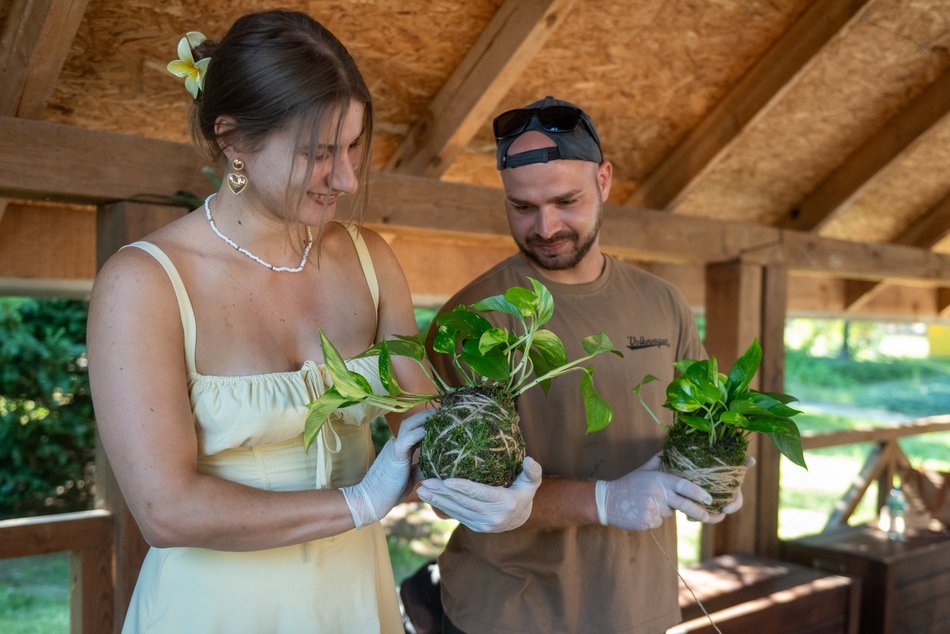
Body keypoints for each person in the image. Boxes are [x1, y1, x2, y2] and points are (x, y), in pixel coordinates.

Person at [87, 11, 538, 633]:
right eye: (319, 153)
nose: (348, 178)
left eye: (353, 146)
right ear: (233, 139)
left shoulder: (369, 259)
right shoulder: (143, 283)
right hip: (214, 609)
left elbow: (429, 430)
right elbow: (166, 510)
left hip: (354, 600)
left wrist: (502, 478)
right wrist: (357, 502)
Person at [415, 96, 745, 634]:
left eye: (566, 200)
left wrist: (716, 473)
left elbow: (707, 421)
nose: (546, 226)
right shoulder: (472, 322)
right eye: (522, 207)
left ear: (605, 181)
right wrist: (603, 499)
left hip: (639, 609)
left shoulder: (663, 303)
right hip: (510, 613)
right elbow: (452, 496)